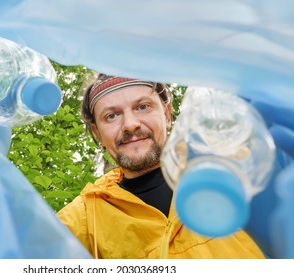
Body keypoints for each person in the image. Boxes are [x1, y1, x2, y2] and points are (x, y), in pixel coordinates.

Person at [57, 73, 265, 259]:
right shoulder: (84, 218)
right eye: (112, 115)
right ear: (97, 133)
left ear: (167, 115)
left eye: (142, 107)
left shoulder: (236, 172)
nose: (130, 124)